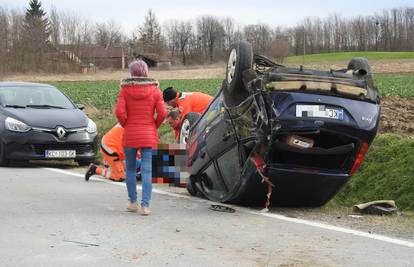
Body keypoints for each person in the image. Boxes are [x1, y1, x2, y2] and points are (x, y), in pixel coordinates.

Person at [115, 59, 167, 216]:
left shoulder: (125, 90)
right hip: (149, 135)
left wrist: (126, 124)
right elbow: (163, 113)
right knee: (147, 171)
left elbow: (119, 112)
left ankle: (132, 202)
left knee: (130, 169)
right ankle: (145, 206)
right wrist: (154, 126)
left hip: (131, 133)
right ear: (146, 72)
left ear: (132, 73)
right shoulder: (155, 90)